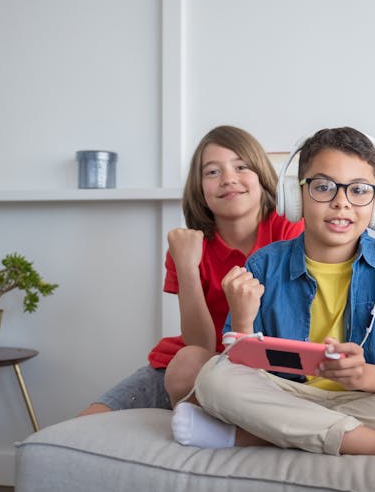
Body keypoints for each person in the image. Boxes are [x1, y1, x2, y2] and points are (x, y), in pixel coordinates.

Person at [170, 127, 375, 465]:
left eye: (359, 190)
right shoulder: (264, 263)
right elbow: (242, 363)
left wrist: (363, 375)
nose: (341, 202)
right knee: (216, 378)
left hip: (357, 399)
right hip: (285, 392)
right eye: (323, 187)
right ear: (295, 197)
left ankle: (252, 436)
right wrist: (243, 317)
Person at [78, 125, 303, 416]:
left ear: (262, 176)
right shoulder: (187, 246)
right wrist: (186, 267)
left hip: (260, 364)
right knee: (88, 420)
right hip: (191, 363)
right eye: (212, 172)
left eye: (241, 167)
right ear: (199, 188)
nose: (228, 179)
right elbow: (202, 345)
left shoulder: (290, 231)